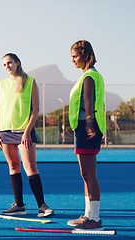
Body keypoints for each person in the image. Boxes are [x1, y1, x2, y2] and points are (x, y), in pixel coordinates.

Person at [0, 53, 54, 218]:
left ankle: (42, 206)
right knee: (13, 166)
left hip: (23, 131)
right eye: (4, 64)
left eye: (10, 63)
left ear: (17, 63)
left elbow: (36, 110)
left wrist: (27, 131)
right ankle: (19, 205)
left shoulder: (30, 82)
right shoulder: (2, 84)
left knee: (31, 168)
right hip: (4, 130)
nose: (7, 67)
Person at [67, 40, 105, 231]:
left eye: (75, 56)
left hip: (86, 129)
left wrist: (90, 126)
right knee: (86, 174)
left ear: (85, 54)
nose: (72, 60)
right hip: (84, 128)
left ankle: (95, 219)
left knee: (90, 174)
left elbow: (89, 103)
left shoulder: (89, 77)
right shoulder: (89, 75)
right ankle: (88, 215)